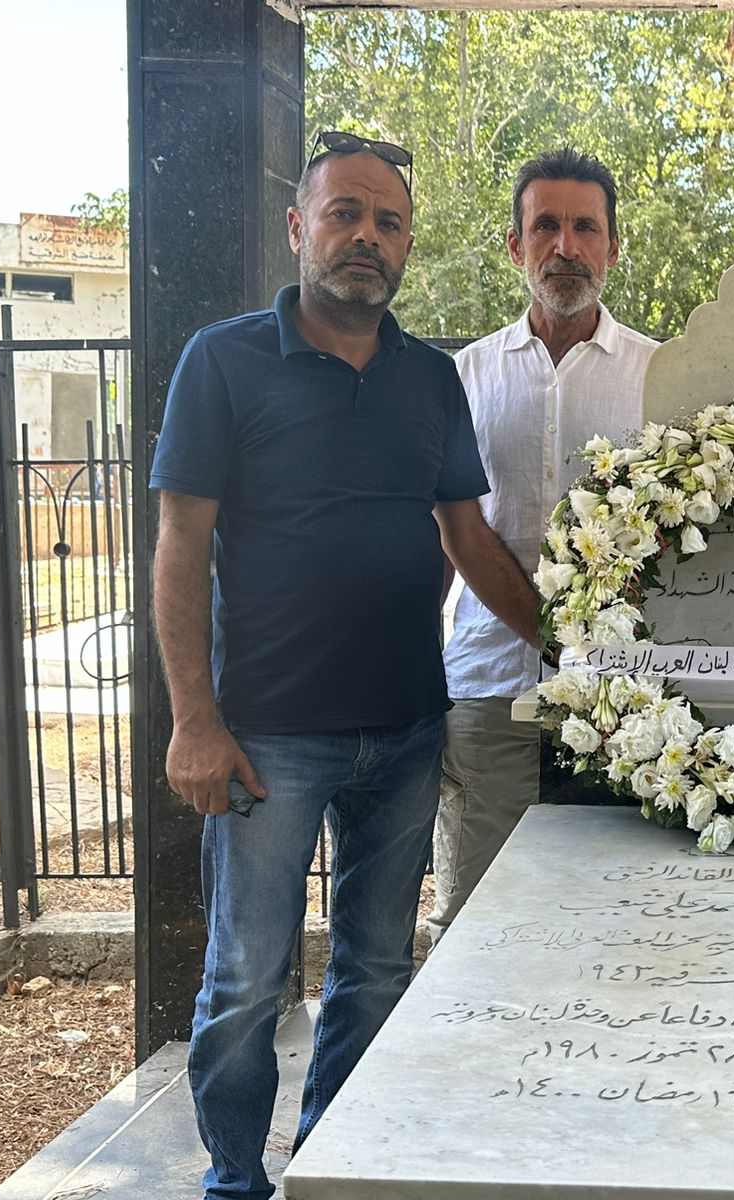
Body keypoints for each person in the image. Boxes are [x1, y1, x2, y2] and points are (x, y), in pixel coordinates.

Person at [151, 130, 542, 1200]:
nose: (367, 236)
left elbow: (467, 536)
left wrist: (570, 645)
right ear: (299, 227)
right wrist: (194, 720)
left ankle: (330, 1163)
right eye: (345, 214)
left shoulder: (431, 378)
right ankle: (236, 1180)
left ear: (407, 244)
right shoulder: (222, 361)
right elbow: (180, 543)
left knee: (375, 970)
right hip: (265, 736)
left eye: (388, 222)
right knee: (244, 980)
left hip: (408, 727)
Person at [428, 147, 656, 947]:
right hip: (490, 688)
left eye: (585, 228)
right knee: (474, 928)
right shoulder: (463, 376)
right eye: (545, 227)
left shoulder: (660, 376)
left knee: (614, 927)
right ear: (515, 246)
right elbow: (452, 531)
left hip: (628, 701)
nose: (566, 247)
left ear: (613, 247)